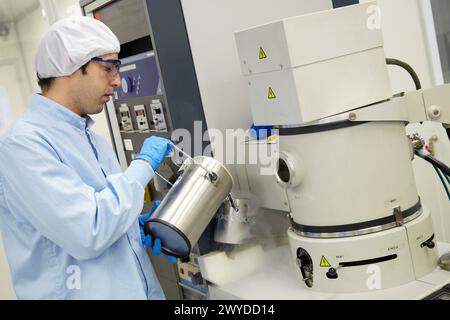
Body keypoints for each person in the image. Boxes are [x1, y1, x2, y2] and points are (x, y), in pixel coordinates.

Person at [0, 16, 174, 299]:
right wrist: (142, 166)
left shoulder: (91, 137)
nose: (117, 80)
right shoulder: (23, 145)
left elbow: (104, 213)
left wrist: (132, 225)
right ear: (69, 68)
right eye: (107, 68)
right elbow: (89, 231)